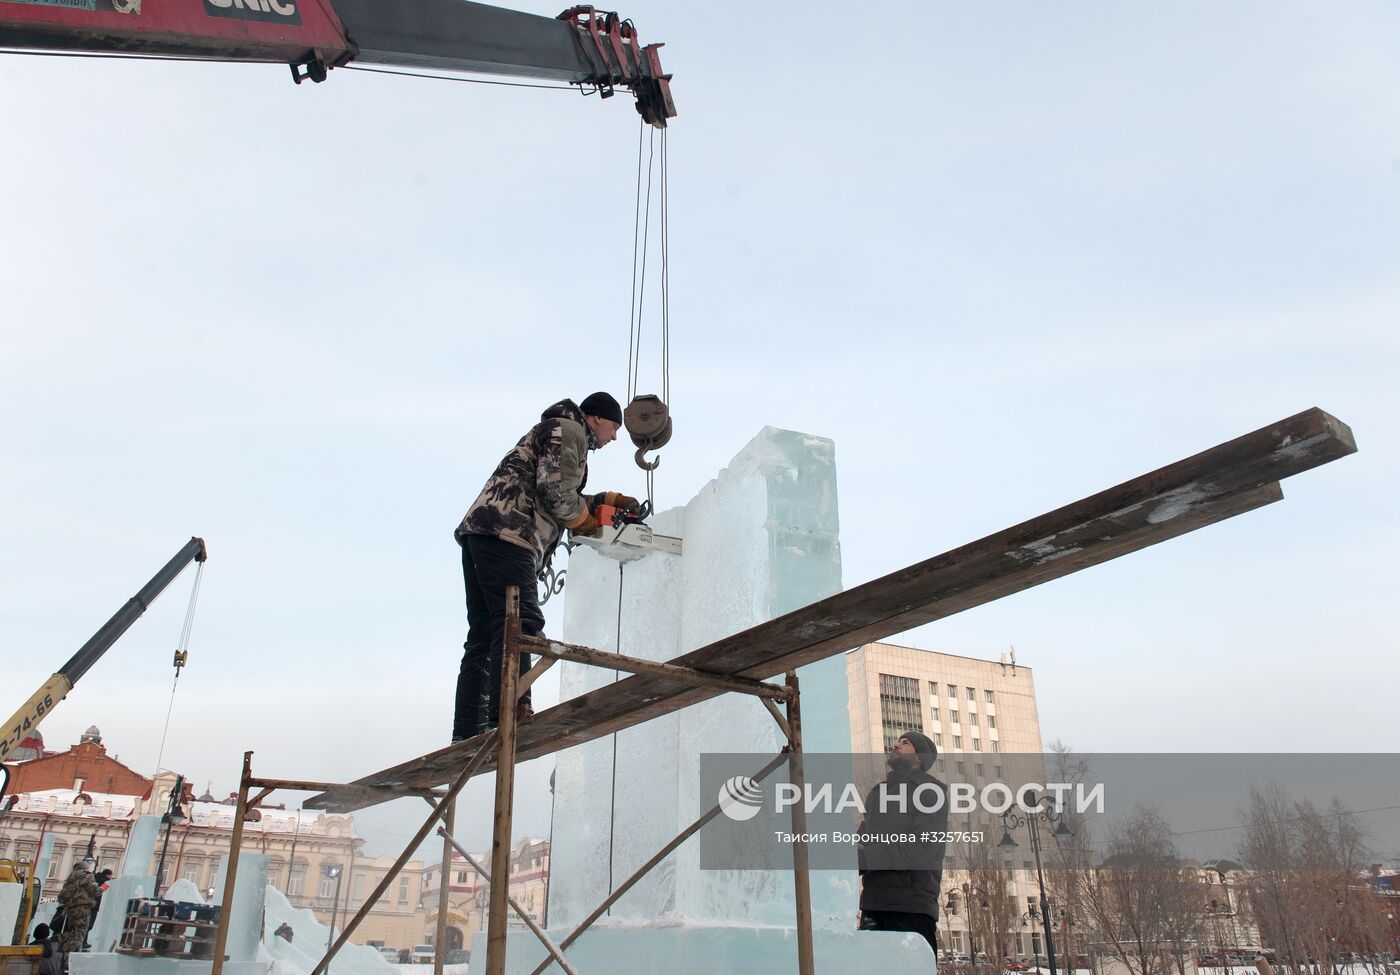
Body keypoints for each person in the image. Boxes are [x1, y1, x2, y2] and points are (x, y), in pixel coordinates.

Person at [452, 392, 634, 742]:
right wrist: (586, 520)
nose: (614, 437)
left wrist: (599, 502)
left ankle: (469, 729)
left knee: (485, 634)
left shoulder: (558, 431)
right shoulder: (570, 431)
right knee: (518, 626)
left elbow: (554, 488)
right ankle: (511, 714)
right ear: (596, 418)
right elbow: (555, 493)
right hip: (510, 535)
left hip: (484, 531)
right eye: (615, 427)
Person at [856, 730, 948, 958]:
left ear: (920, 757)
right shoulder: (879, 792)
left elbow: (922, 847)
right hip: (873, 904)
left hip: (911, 906)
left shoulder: (930, 791)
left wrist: (867, 858)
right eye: (898, 741)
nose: (896, 745)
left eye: (905, 743)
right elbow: (863, 838)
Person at [56, 860, 100, 954]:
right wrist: (104, 887)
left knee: (73, 931)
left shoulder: (70, 878)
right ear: (84, 868)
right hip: (83, 908)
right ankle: (66, 955)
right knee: (79, 934)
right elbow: (94, 891)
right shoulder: (86, 876)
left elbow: (62, 897)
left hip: (71, 909)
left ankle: (59, 942)